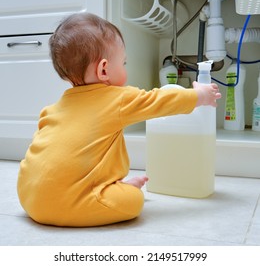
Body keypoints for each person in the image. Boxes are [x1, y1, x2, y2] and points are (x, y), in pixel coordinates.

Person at [17, 12, 221, 227]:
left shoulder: (52, 110)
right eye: (123, 63)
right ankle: (119, 190)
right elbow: (159, 100)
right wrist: (199, 95)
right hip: (66, 205)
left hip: (28, 196)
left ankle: (110, 186)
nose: (125, 68)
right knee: (134, 201)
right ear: (104, 69)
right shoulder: (117, 99)